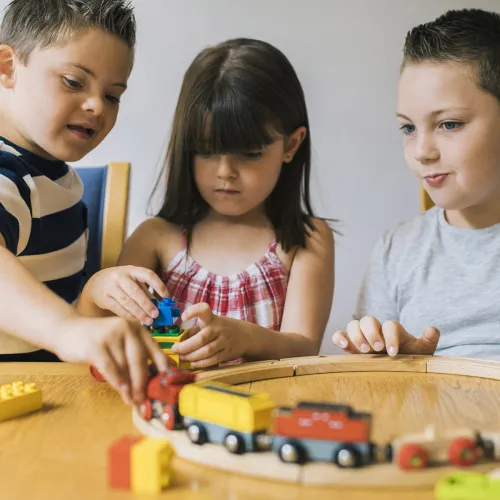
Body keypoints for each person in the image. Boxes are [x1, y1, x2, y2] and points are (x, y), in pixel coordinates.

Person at [78, 38, 335, 368]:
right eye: (206, 150)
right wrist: (94, 290)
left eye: (250, 154)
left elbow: (304, 346)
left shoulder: (305, 239)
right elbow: (102, 334)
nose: (225, 172)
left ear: (291, 145)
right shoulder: (156, 238)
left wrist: (244, 338)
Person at [0, 0, 169, 404]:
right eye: (74, 82)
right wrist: (67, 329)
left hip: (49, 398)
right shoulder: (9, 175)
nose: (97, 106)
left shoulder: (61, 180)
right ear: (7, 67)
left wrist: (92, 294)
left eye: (113, 95)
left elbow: (62, 316)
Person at [333, 9, 500, 360]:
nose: (422, 152)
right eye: (408, 128)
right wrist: (393, 358)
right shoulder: (397, 250)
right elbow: (369, 382)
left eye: (449, 124)